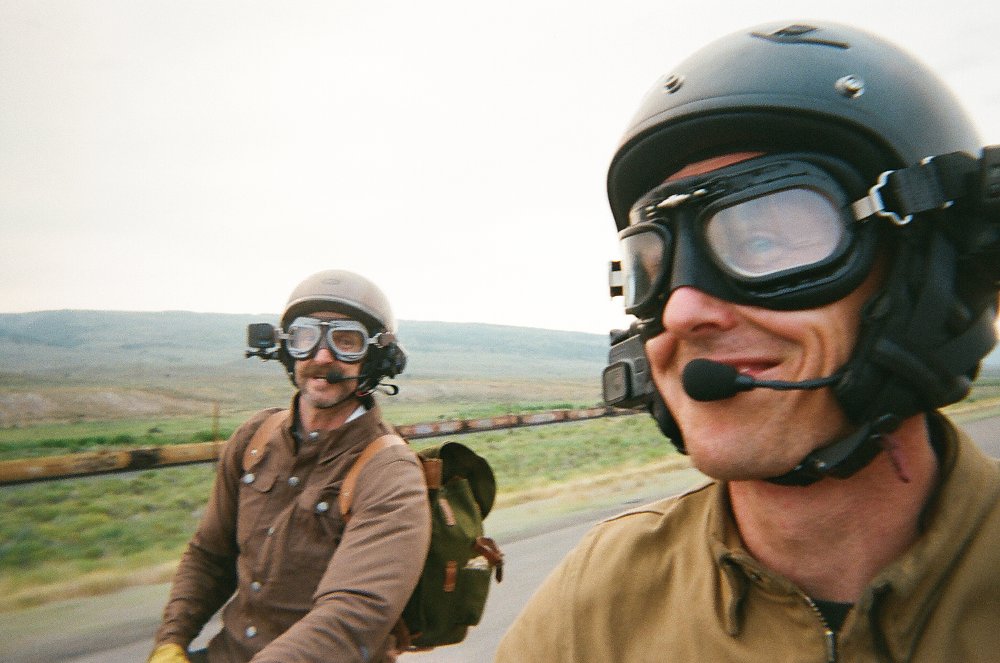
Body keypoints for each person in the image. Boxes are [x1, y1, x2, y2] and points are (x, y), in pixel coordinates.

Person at [497, 21, 1000, 661]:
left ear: (925, 271)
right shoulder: (597, 607)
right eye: (655, 267)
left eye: (763, 241)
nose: (681, 311)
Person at [148, 269, 431, 663]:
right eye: (305, 337)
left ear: (376, 357)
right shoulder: (253, 439)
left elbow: (351, 616)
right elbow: (209, 555)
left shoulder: (391, 473)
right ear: (286, 349)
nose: (321, 356)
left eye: (345, 341)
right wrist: (171, 640)